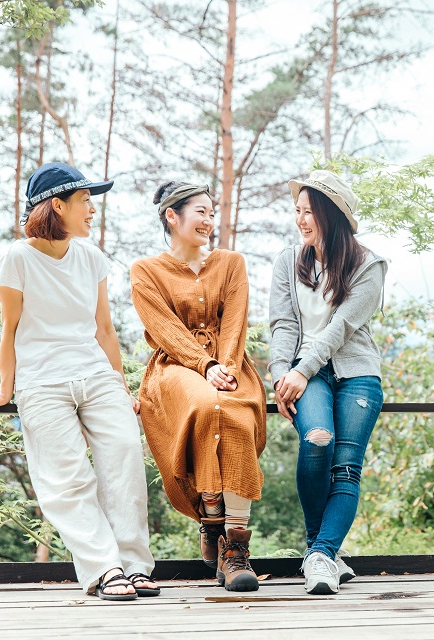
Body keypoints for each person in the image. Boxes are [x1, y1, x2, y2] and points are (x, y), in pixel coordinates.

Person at [0, 162, 158, 601]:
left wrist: (121, 388)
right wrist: (5, 389)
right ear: (57, 205)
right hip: (43, 383)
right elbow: (9, 329)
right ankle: (105, 569)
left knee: (124, 454)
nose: (92, 210)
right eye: (85, 201)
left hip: (96, 375)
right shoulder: (16, 259)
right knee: (66, 480)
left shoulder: (91, 256)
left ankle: (133, 563)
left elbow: (105, 330)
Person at [130, 182, 266, 592]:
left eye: (212, 213)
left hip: (228, 362)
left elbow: (236, 320)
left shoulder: (231, 263)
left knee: (235, 412)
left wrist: (223, 367)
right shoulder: (146, 270)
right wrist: (203, 365)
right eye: (200, 213)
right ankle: (211, 519)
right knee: (206, 406)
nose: (209, 221)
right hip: (175, 366)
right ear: (172, 216)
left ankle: (235, 545)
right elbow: (165, 330)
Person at [269, 170, 387, 595]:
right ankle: (325, 554)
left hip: (357, 375)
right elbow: (283, 322)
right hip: (305, 373)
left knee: (346, 468)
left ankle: (319, 555)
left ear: (332, 215)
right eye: (298, 211)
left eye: (310, 212)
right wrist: (283, 373)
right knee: (317, 439)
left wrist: (302, 370)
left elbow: (342, 327)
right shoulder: (288, 260)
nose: (301, 220)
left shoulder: (368, 265)